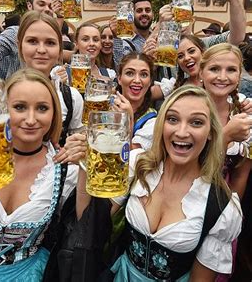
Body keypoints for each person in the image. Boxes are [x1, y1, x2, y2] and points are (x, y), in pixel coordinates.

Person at [69, 85, 243, 281]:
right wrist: (85, 164)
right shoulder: (138, 166)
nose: (182, 131)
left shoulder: (221, 206)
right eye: (173, 119)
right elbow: (89, 223)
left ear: (210, 132)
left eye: (196, 122)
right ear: (161, 125)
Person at [0, 68, 78, 281]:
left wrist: (88, 166)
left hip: (32, 275)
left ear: (54, 114)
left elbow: (89, 232)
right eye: (19, 107)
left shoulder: (64, 170)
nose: (31, 119)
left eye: (42, 108)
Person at [18, 10, 83, 146]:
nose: (41, 50)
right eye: (32, 41)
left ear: (60, 50)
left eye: (50, 43)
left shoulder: (71, 97)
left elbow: (78, 141)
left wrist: (75, 148)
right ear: (20, 45)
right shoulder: (5, 94)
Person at [198, 43, 252, 199]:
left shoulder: (244, 116)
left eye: (231, 70)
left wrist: (231, 212)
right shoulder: (185, 112)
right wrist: (226, 134)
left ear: (239, 75)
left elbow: (240, 175)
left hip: (225, 200)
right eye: (214, 69)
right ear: (201, 72)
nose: (222, 77)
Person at [0, 0, 62, 79]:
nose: (47, 9)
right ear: (29, 6)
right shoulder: (15, 33)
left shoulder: (52, 33)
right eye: (41, 4)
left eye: (50, 6)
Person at [115, 52, 156, 150]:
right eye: (130, 73)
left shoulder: (152, 121)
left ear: (150, 82)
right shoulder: (103, 108)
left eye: (144, 74)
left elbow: (132, 155)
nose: (137, 80)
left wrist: (127, 120)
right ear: (119, 79)